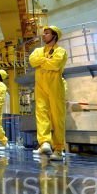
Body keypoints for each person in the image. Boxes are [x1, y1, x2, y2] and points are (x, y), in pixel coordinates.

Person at [29, 25, 68, 161]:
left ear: (54, 36)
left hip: (55, 86)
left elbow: (56, 64)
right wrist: (46, 62)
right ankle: (45, 143)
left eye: (47, 33)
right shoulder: (38, 50)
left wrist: (42, 62)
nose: (44, 35)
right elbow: (32, 61)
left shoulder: (61, 51)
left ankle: (58, 148)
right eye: (44, 33)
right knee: (41, 113)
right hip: (40, 86)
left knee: (57, 117)